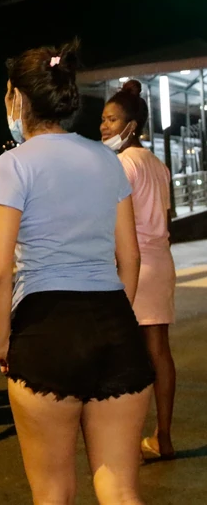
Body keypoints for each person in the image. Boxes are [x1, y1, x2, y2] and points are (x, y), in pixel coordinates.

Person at [0, 42, 155, 504]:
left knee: (54, 492)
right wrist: (118, 317)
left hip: (46, 331)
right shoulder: (106, 159)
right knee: (120, 488)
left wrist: (1, 340)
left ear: (19, 99)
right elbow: (130, 257)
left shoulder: (13, 164)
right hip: (114, 324)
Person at [100, 82, 177, 460]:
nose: (104, 126)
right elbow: (167, 217)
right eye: (103, 119)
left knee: (126, 356)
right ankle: (163, 437)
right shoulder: (158, 165)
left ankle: (124, 441)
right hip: (161, 261)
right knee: (159, 351)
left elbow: (114, 223)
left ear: (131, 125)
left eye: (112, 120)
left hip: (133, 264)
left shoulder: (121, 165)